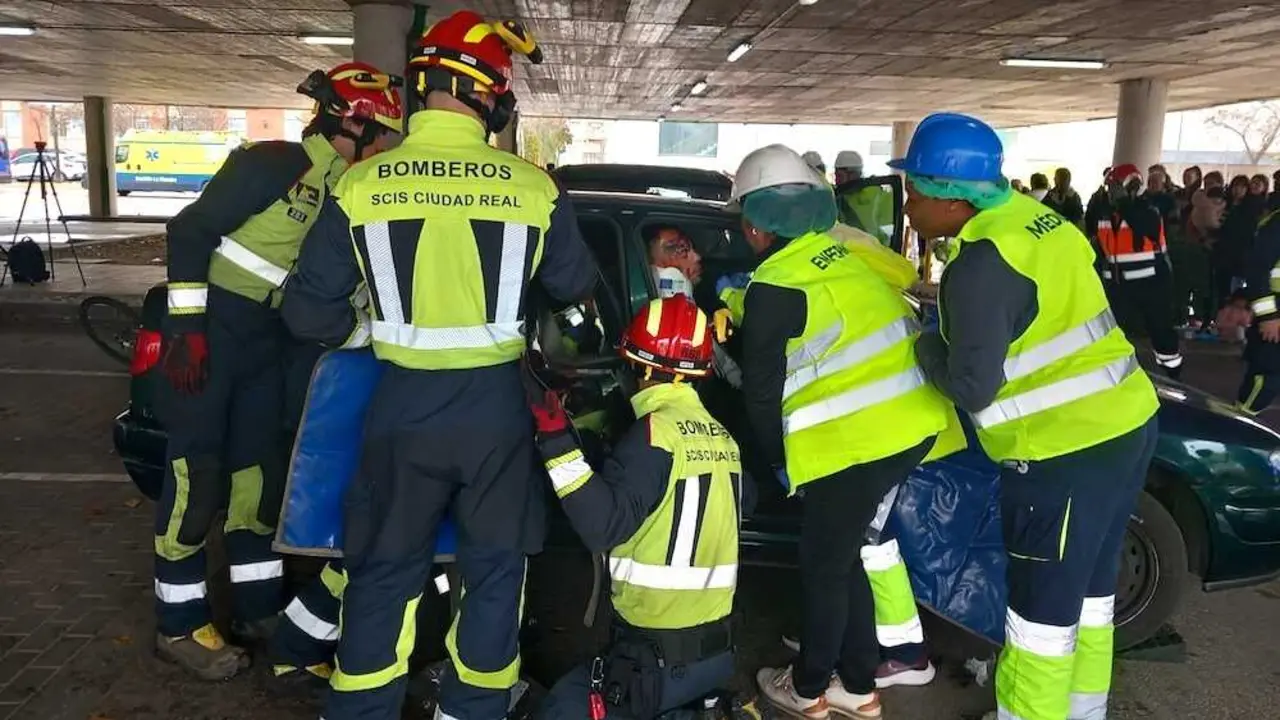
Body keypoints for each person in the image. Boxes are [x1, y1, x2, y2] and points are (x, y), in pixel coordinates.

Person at [279, 11, 599, 719]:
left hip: (399, 409)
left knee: (383, 574)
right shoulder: (534, 188)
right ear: (482, 92)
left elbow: (307, 314)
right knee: (492, 576)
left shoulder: (362, 185)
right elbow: (577, 292)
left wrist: (365, 326)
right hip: (497, 413)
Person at [892, 111, 1160, 720]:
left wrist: (925, 341)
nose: (908, 207)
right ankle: (1083, 711)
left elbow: (971, 386)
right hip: (1126, 426)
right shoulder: (1042, 224)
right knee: (1090, 595)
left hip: (1063, 453)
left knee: (1039, 613)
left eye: (914, 192)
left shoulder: (980, 265)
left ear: (951, 198)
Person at [152, 61, 403, 681]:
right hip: (212, 334)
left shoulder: (348, 189)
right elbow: (190, 231)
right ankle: (178, 625)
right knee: (197, 478)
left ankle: (260, 613)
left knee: (256, 485)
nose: (389, 145)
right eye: (387, 132)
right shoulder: (273, 162)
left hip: (266, 343)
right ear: (357, 121)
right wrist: (187, 330)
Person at [730, 144, 954, 719]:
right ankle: (856, 684)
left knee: (824, 566)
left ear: (755, 226)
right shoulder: (842, 255)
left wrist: (777, 460)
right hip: (911, 426)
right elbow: (846, 313)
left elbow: (760, 393)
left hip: (855, 443)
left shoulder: (773, 287)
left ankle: (808, 692)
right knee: (846, 556)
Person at [529, 296, 754, 720]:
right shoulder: (722, 438)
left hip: (656, 661)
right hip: (718, 653)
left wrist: (555, 437)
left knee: (560, 709)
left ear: (645, 368)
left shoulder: (655, 434)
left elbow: (602, 526)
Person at [1085, 164, 1183, 378]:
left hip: (1152, 284)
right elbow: (1095, 237)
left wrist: (1123, 202)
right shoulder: (1105, 212)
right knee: (1114, 332)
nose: (1112, 191)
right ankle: (1116, 375)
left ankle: (1173, 374)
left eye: (1116, 186)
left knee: (1161, 332)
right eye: (1110, 187)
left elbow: (1144, 224)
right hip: (1118, 286)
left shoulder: (1148, 209)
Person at [646, 226, 742, 387]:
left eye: (690, 248)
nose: (696, 257)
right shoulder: (676, 352)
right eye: (681, 249)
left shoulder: (706, 297)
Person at [1238, 207, 1280, 415]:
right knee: (1267, 377)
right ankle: (1241, 424)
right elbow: (1257, 270)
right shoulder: (1276, 223)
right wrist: (1268, 316)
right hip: (1275, 310)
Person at [833, 150, 895, 246]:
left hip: (875, 252)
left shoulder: (877, 196)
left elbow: (890, 232)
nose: (836, 180)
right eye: (836, 175)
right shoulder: (838, 198)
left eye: (839, 176)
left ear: (853, 174)